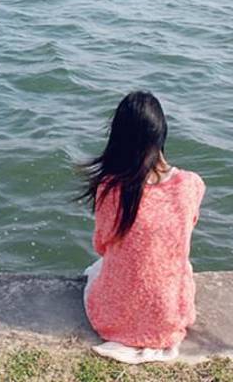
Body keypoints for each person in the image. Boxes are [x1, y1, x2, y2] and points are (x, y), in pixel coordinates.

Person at [78, 91, 205, 364]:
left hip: (113, 321)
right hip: (171, 319)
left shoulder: (111, 189)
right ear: (161, 135)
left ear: (118, 139)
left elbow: (101, 245)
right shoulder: (191, 184)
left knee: (98, 270)